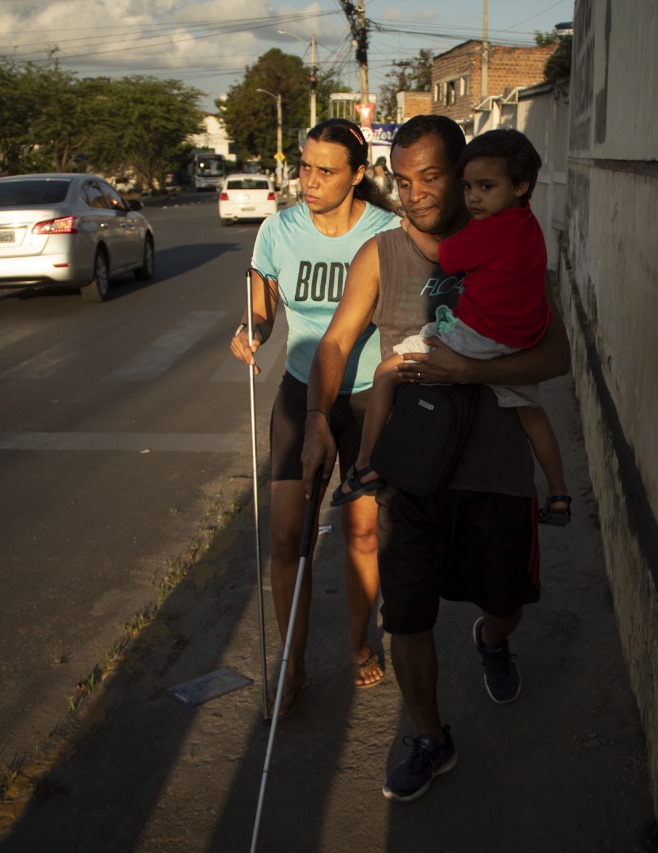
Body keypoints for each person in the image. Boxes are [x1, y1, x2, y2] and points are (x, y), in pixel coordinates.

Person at [302, 115, 570, 801]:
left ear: (466, 173)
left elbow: (558, 356)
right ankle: (431, 736)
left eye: (433, 176)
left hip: (498, 468)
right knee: (409, 617)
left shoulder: (512, 243)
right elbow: (334, 344)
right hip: (412, 471)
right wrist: (315, 420)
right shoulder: (382, 253)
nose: (415, 192)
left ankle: (491, 636)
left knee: (506, 599)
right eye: (403, 177)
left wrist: (467, 374)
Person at [229, 117, 399, 717]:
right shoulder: (278, 229)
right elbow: (265, 311)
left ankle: (357, 643)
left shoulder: (386, 233)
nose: (310, 180)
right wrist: (251, 330)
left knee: (360, 533)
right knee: (284, 538)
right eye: (304, 166)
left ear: (357, 175)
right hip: (301, 395)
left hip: (365, 402)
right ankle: (293, 666)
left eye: (326, 170)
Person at [329, 129, 572, 526]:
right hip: (520, 339)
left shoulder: (490, 231)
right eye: (469, 186)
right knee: (533, 414)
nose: (475, 197)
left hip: (476, 338)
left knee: (388, 370)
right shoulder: (529, 225)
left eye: (485, 187)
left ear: (520, 185)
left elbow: (445, 256)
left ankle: (366, 463)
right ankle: (560, 494)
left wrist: (409, 229)